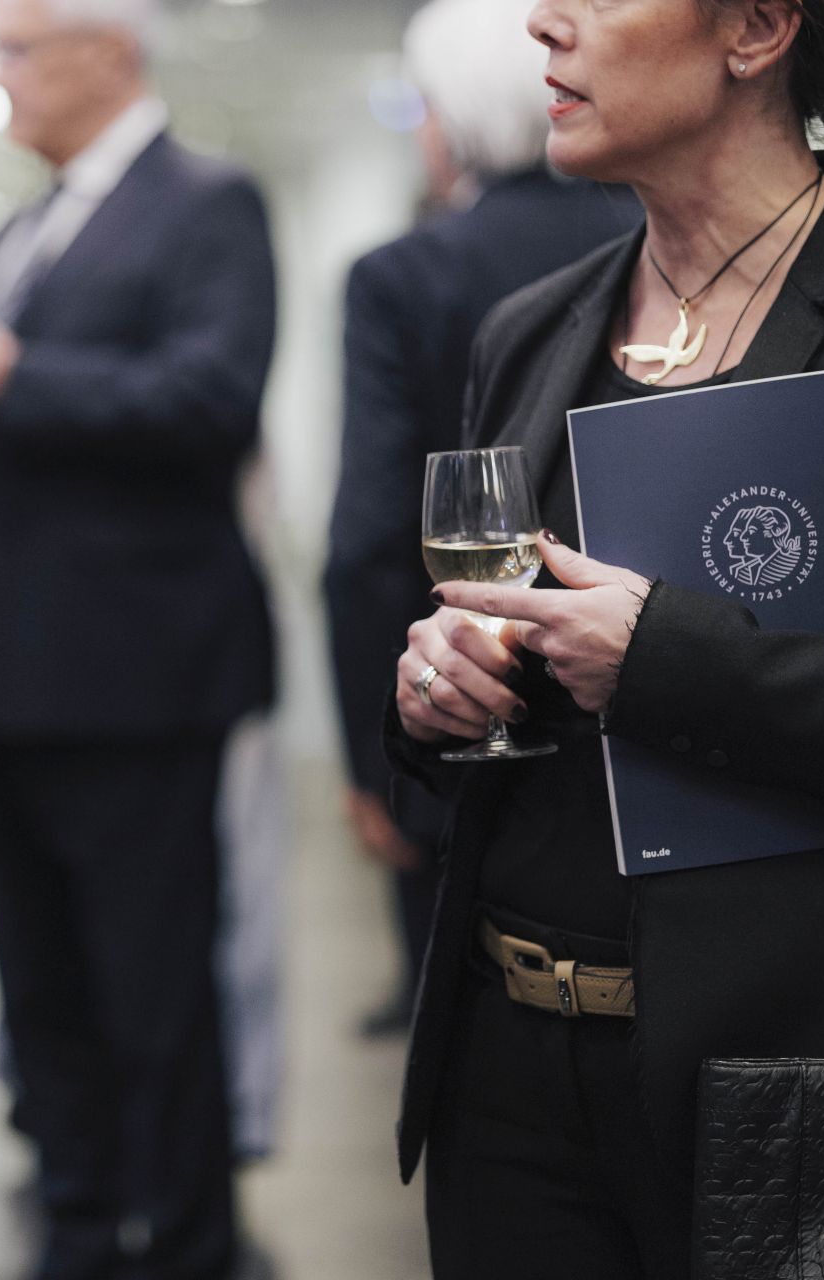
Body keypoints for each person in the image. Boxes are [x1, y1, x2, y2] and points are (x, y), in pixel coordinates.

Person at [384, 0, 824, 1275]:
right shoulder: (533, 326)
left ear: (754, 30)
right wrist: (436, 693)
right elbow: (490, 655)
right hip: (510, 1078)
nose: (541, 23)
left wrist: (670, 662)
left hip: (813, 1105)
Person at [0, 0, 275, 1273]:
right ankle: (74, 1219)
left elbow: (212, 399)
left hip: (140, 674)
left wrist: (11, 376)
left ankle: (182, 1236)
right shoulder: (23, 222)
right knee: (45, 987)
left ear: (107, 53)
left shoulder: (206, 202)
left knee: (154, 989)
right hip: (12, 669)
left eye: (17, 48)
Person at [322, 0, 638, 1039]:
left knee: (466, 1006)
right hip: (645, 694)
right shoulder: (649, 248)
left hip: (458, 693)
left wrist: (375, 756)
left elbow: (370, 535)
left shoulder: (404, 272)